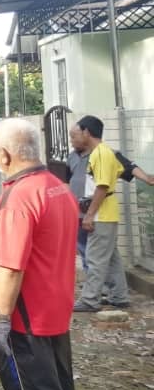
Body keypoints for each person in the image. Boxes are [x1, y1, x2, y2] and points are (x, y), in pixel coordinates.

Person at [0, 118, 78, 390]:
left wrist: (2, 320)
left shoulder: (19, 198)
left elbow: (10, 267)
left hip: (25, 322)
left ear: (5, 155)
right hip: (54, 312)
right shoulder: (56, 187)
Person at [65, 124, 151, 273]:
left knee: (96, 255)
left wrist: (147, 178)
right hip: (76, 210)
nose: (71, 140)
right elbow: (66, 181)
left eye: (74, 136)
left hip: (96, 211)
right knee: (84, 249)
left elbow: (129, 166)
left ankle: (96, 290)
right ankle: (102, 287)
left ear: (85, 135)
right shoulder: (71, 157)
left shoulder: (105, 154)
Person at [71, 115, 130, 311]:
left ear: (87, 132)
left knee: (95, 258)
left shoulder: (101, 154)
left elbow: (102, 186)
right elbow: (120, 170)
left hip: (101, 214)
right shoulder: (105, 153)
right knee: (111, 257)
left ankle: (90, 300)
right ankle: (119, 296)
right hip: (106, 213)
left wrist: (89, 215)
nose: (76, 137)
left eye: (79, 132)